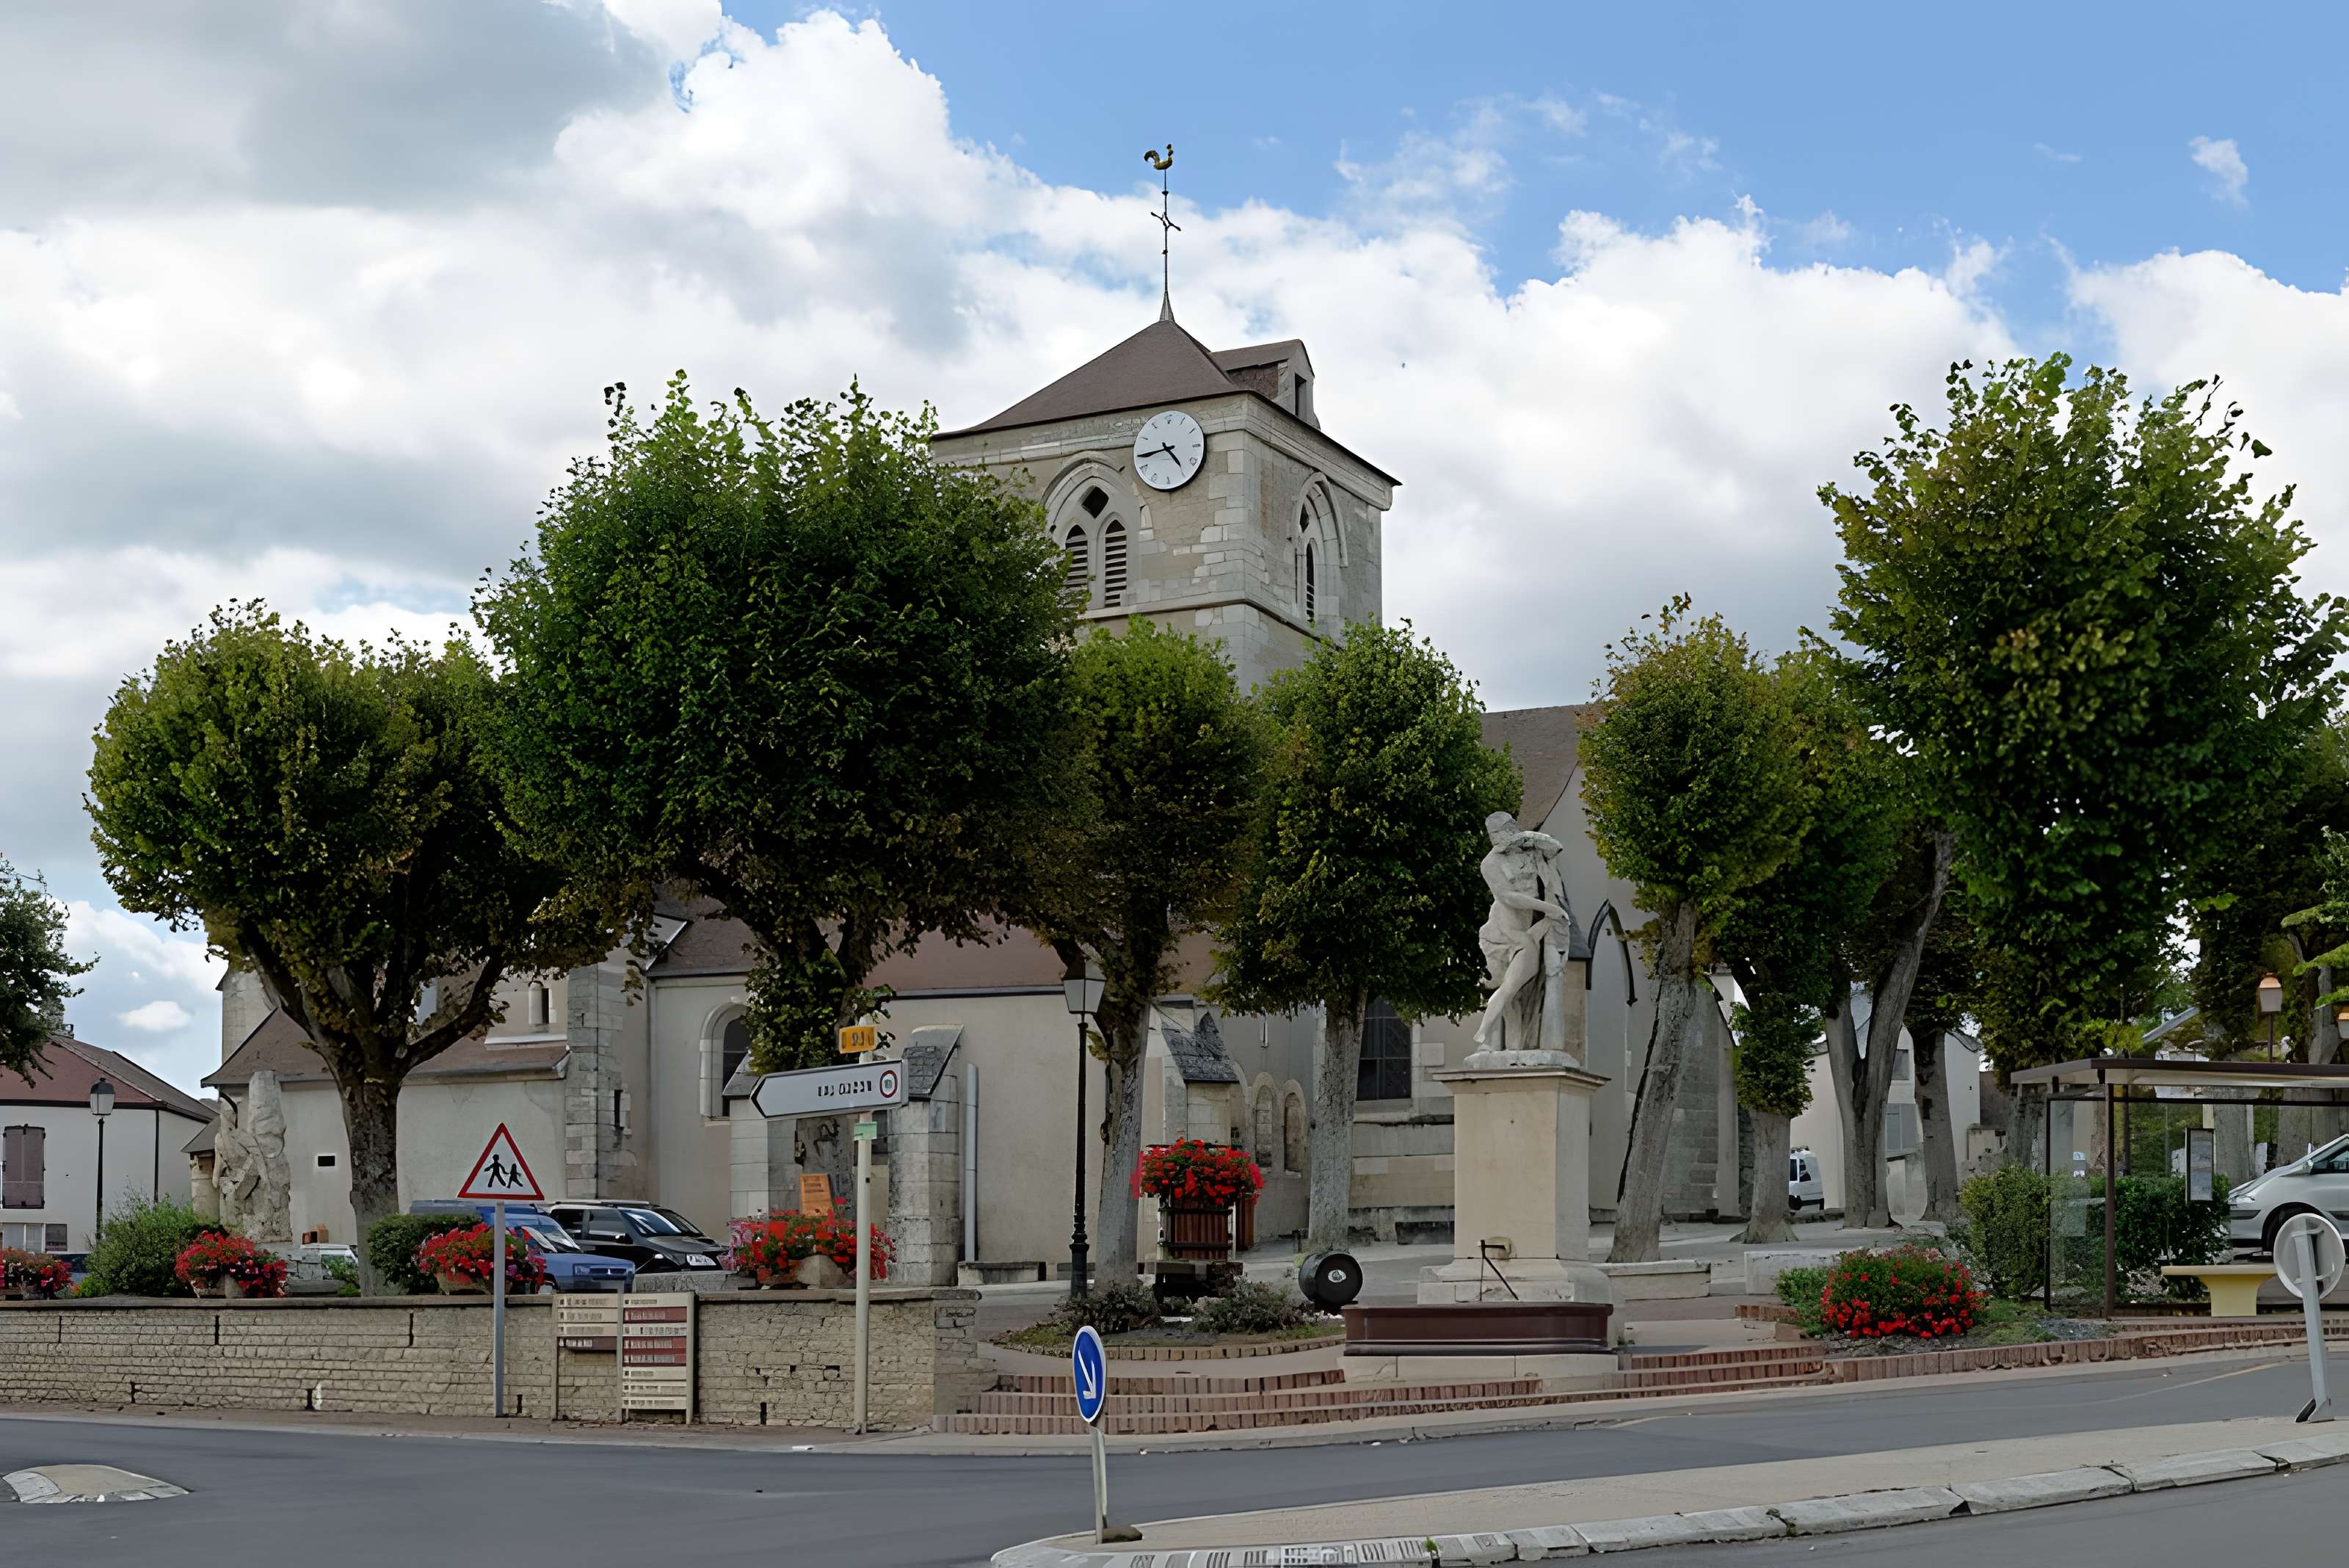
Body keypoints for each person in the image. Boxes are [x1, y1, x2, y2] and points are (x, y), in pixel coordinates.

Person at [1473, 810, 1573, 1049]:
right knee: (1508, 988)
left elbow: (1556, 848)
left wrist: (1529, 837)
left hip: (1527, 929)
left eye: (1500, 835)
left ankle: (1492, 1038)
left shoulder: (1529, 849)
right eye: (1493, 837)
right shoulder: (1490, 863)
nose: (1496, 841)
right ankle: (1486, 1037)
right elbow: (1508, 897)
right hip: (1503, 929)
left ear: (1511, 830)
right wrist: (1550, 909)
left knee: (1512, 988)